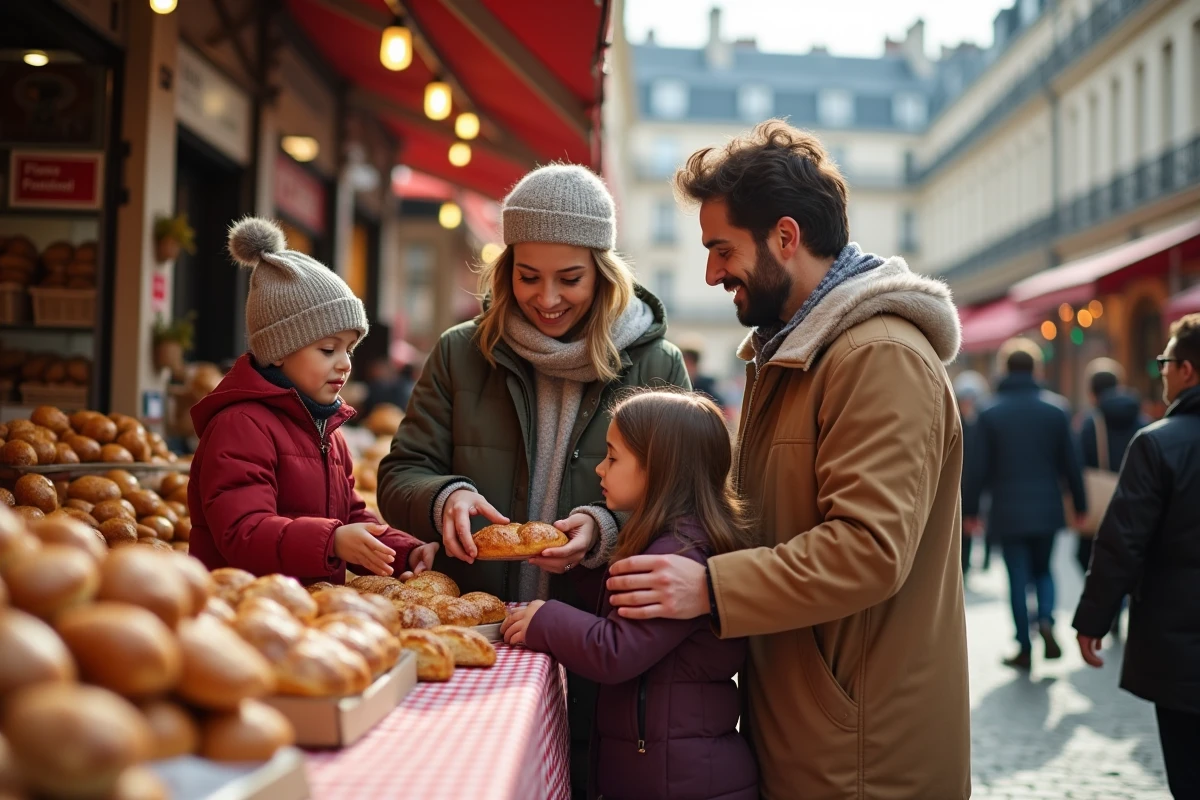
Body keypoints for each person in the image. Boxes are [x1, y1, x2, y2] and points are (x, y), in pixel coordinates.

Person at [598, 120, 971, 798]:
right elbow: (758, 520)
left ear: (786, 237)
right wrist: (608, 533)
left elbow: (868, 549)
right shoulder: (794, 353)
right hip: (809, 736)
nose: (711, 272)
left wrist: (711, 588)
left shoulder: (876, 357)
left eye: (721, 248)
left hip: (862, 758)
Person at [376, 164, 690, 798]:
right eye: (528, 276)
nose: (547, 297)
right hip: (475, 646)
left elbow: (684, 503)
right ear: (505, 267)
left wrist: (604, 529)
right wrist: (444, 497)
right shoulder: (461, 353)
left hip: (602, 644)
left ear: (602, 272)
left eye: (570, 278)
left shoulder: (655, 364)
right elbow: (400, 472)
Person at [502, 389, 756, 800]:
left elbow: (615, 649)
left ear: (658, 469)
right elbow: (626, 609)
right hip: (663, 769)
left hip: (681, 783)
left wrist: (544, 619)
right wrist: (580, 564)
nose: (600, 469)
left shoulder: (679, 556)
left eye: (613, 457)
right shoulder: (668, 538)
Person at [188, 217, 438, 584]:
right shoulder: (240, 425)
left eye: (349, 348)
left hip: (306, 615)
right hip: (242, 612)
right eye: (327, 349)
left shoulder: (328, 428)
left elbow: (351, 515)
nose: (345, 363)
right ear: (278, 351)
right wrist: (331, 541)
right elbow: (242, 531)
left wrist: (404, 552)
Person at [1073, 314, 1200, 800]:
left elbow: (1122, 541)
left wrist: (1093, 620)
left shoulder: (1158, 444)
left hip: (1180, 641)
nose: (1161, 371)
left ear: (1187, 369)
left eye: (1166, 362)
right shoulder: (1155, 439)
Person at [963, 338, 1086, 670]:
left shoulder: (989, 413)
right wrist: (1081, 504)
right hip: (1046, 506)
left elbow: (976, 468)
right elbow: (1070, 463)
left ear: (1004, 369)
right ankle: (1046, 618)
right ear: (1036, 368)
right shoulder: (1056, 409)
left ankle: (1023, 644)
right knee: (1044, 570)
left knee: (1016, 576)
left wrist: (970, 511)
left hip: (1007, 508)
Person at [1075, 357, 1149, 574]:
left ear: (1092, 391)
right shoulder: (1142, 420)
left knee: (1091, 560)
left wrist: (1080, 506)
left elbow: (1079, 464)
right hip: (1137, 503)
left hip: (1101, 507)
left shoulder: (1091, 424)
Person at [954, 370, 991, 576]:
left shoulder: (982, 423)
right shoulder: (953, 421)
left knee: (969, 531)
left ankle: (967, 569)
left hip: (972, 487)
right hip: (955, 485)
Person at [677, 337, 723, 409]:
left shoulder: (707, 386)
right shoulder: (675, 383)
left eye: (689, 363)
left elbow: (720, 405)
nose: (686, 368)